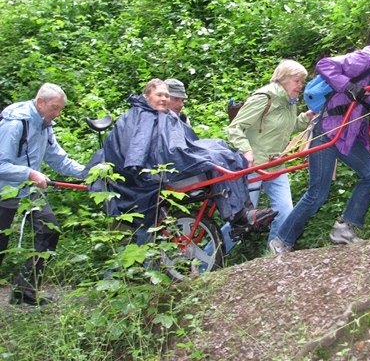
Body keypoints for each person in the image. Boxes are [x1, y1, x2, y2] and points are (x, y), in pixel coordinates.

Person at [269, 26, 370, 254]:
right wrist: (349, 88)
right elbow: (325, 65)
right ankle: (281, 241)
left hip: (348, 136)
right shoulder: (367, 58)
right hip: (328, 131)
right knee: (317, 194)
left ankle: (344, 228)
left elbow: (367, 103)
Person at [98, 79, 275, 245]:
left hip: (168, 159)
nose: (164, 99)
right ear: (147, 96)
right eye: (160, 95)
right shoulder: (142, 116)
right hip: (153, 170)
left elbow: (181, 140)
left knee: (223, 150)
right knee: (215, 159)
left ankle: (243, 211)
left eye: (166, 95)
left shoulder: (163, 114)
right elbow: (138, 150)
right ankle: (239, 215)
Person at [0, 83, 85, 305]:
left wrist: (88, 172)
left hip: (29, 189)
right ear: (40, 102)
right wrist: (30, 173)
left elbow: (59, 160)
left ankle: (24, 290)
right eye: (54, 108)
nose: (57, 114)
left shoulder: (45, 126)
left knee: (49, 230)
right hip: (5, 189)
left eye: (60, 109)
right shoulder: (16, 123)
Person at [221, 60, 315, 252]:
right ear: (284, 79)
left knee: (286, 212)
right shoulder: (264, 98)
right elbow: (235, 127)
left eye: (302, 82)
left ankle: (272, 259)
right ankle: (207, 260)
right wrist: (246, 150)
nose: (300, 86)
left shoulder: (290, 101)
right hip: (253, 166)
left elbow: (289, 127)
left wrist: (305, 118)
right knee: (243, 220)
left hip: (276, 164)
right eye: (297, 81)